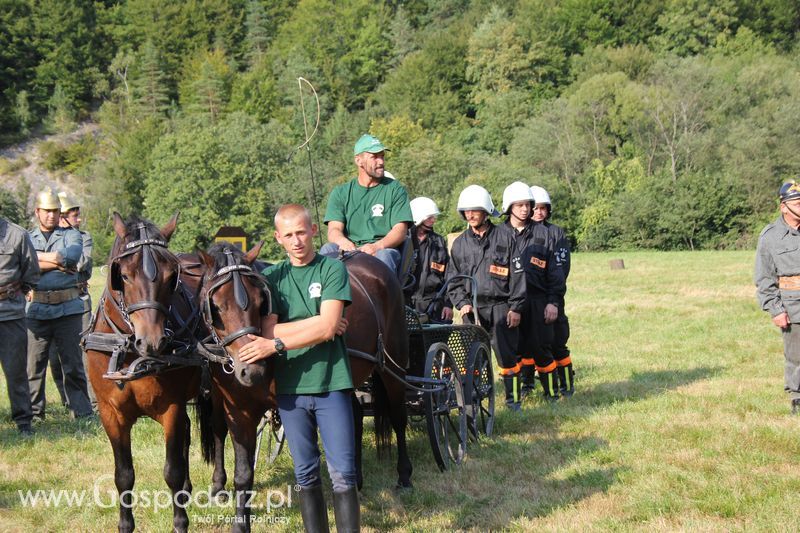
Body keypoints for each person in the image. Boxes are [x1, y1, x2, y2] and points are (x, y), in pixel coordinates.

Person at [238, 204, 359, 532]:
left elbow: (326, 327)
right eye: (288, 235)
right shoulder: (272, 278)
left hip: (330, 383)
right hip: (290, 391)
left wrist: (280, 340)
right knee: (305, 474)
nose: (296, 241)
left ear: (313, 231)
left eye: (302, 232)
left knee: (343, 474)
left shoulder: (332, 270)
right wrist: (319, 323)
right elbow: (267, 331)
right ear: (278, 238)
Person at [446, 185, 526, 411]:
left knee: (507, 358)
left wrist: (516, 307)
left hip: (501, 308)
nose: (470, 215)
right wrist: (462, 303)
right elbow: (454, 279)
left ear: (486, 211)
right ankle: (478, 401)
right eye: (466, 211)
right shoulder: (460, 243)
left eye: (475, 210)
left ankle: (514, 402)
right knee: (474, 361)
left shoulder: (506, 237)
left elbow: (518, 275)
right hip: (473, 312)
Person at [26, 188, 92, 420]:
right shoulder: (26, 237)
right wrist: (55, 259)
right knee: (34, 367)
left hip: (68, 310)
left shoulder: (71, 235)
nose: (52, 215)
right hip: (36, 310)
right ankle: (34, 413)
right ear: (37, 212)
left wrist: (37, 258)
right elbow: (24, 265)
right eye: (47, 211)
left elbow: (72, 258)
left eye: (55, 211)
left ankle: (82, 412)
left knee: (73, 365)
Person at [501, 182, 565, 402]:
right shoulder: (498, 234)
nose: (526, 209)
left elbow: (555, 273)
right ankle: (518, 397)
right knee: (514, 351)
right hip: (509, 303)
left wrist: (553, 302)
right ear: (509, 207)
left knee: (541, 349)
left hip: (538, 300)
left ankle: (552, 396)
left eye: (528, 204)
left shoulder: (544, 233)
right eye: (519, 205)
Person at [321, 134, 413, 274]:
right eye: (374, 157)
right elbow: (334, 230)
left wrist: (377, 246)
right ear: (359, 160)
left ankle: (386, 296)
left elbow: (400, 230)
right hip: (349, 249)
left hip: (382, 249)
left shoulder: (395, 189)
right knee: (327, 249)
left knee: (385, 256)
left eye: (382, 156)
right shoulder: (341, 192)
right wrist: (343, 242)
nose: (381, 161)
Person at [755, 180, 800, 414]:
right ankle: (797, 397)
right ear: (784, 206)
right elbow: (764, 278)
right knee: (796, 356)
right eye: (798, 203)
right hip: (793, 306)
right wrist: (776, 309)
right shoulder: (770, 237)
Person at [49, 192, 95, 409]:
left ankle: (91, 402)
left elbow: (81, 262)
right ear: (62, 217)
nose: (79, 218)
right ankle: (67, 402)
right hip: (49, 302)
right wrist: (60, 260)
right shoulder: (45, 237)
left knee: (84, 354)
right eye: (74, 215)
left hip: (78, 300)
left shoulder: (83, 237)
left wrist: (47, 260)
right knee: (55, 360)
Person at [531, 185, 575, 396]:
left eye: (543, 208)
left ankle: (567, 385)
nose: (538, 212)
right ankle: (528, 385)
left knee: (557, 342)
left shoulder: (556, 233)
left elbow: (561, 268)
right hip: (529, 299)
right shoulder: (521, 233)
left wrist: (554, 298)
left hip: (552, 296)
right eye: (535, 208)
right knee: (530, 345)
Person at [0, 212, 40, 435]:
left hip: (9, 314)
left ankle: (24, 422)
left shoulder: (17, 235)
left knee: (16, 372)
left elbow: (31, 273)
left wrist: (13, 293)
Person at [405, 197, 452, 322]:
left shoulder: (439, 242)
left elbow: (449, 275)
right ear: (418, 217)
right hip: (407, 305)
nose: (433, 220)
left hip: (435, 306)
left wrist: (448, 304)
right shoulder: (404, 242)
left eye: (434, 217)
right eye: (429, 217)